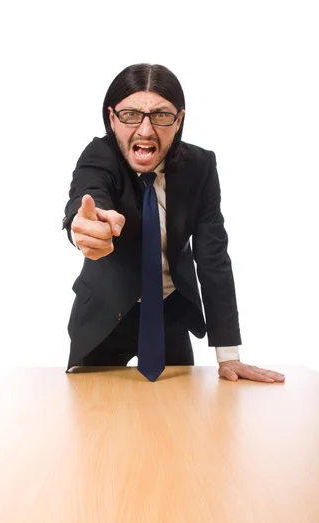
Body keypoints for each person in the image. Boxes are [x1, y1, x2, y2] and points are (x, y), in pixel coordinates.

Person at [62, 63, 285, 384]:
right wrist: (85, 224)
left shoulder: (201, 166)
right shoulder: (99, 155)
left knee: (178, 416)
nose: (145, 130)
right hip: (104, 313)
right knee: (94, 414)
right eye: (130, 115)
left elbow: (213, 258)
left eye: (162, 115)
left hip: (170, 312)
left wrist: (228, 354)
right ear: (112, 118)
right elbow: (88, 193)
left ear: (179, 120)